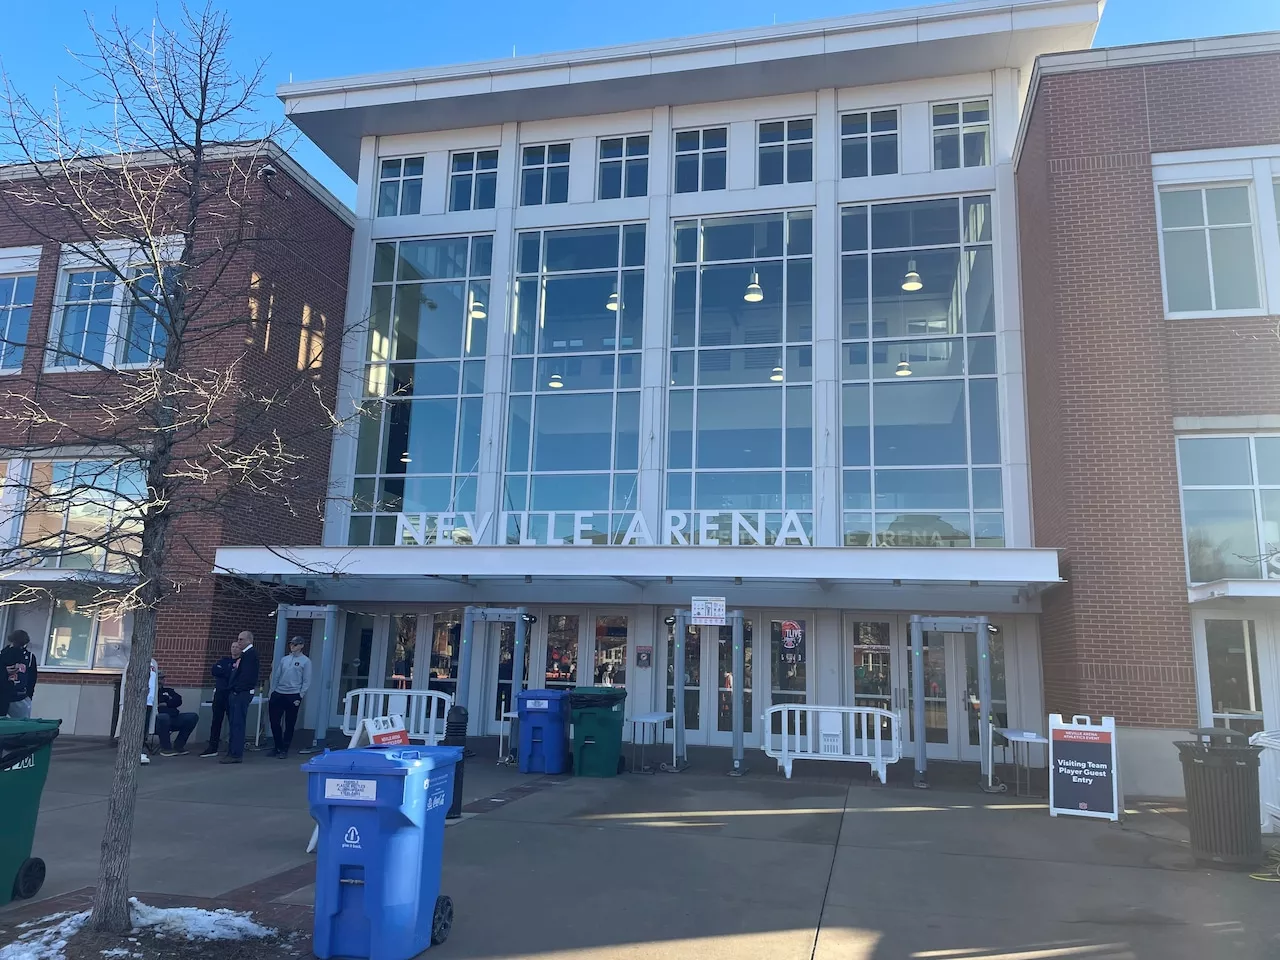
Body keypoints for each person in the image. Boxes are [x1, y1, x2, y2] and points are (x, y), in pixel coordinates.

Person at [268, 636, 311, 758]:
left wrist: (300, 695)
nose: (293, 646)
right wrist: (273, 691)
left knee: (290, 722)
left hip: (293, 694)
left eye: (296, 644)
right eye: (292, 644)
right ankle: (277, 746)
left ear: (302, 646)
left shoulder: (305, 661)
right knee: (274, 721)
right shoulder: (284, 660)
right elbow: (277, 675)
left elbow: (306, 680)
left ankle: (285, 749)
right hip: (279, 692)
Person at [221, 630, 259, 764]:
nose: (239, 642)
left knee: (237, 724)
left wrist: (237, 690)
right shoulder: (245, 655)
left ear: (249, 640)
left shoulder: (250, 655)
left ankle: (236, 754)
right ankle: (232, 751)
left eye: (241, 639)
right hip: (237, 692)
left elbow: (247, 676)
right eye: (238, 639)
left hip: (241, 694)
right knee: (233, 723)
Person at [200, 638, 241, 758]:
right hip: (219, 693)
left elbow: (235, 675)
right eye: (232, 646)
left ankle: (233, 748)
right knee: (216, 720)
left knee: (233, 721)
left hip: (232, 694)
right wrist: (229, 670)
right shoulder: (224, 660)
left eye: (237, 647)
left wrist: (226, 671)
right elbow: (214, 670)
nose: (234, 649)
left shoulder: (241, 661)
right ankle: (212, 747)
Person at [154, 672, 199, 757]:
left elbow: (178, 700)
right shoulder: (150, 692)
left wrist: (166, 703)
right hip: (157, 722)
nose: (161, 681)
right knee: (163, 717)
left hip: (173, 718)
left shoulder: (169, 691)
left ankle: (178, 746)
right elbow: (156, 702)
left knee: (192, 716)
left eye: (162, 679)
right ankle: (166, 748)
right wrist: (167, 699)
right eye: (159, 679)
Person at [2, 629, 39, 719]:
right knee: (22, 724)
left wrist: (29, 696)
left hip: (19, 696)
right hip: (5, 695)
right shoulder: (3, 655)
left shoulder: (29, 657)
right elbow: (32, 678)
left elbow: (32, 678)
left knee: (22, 723)